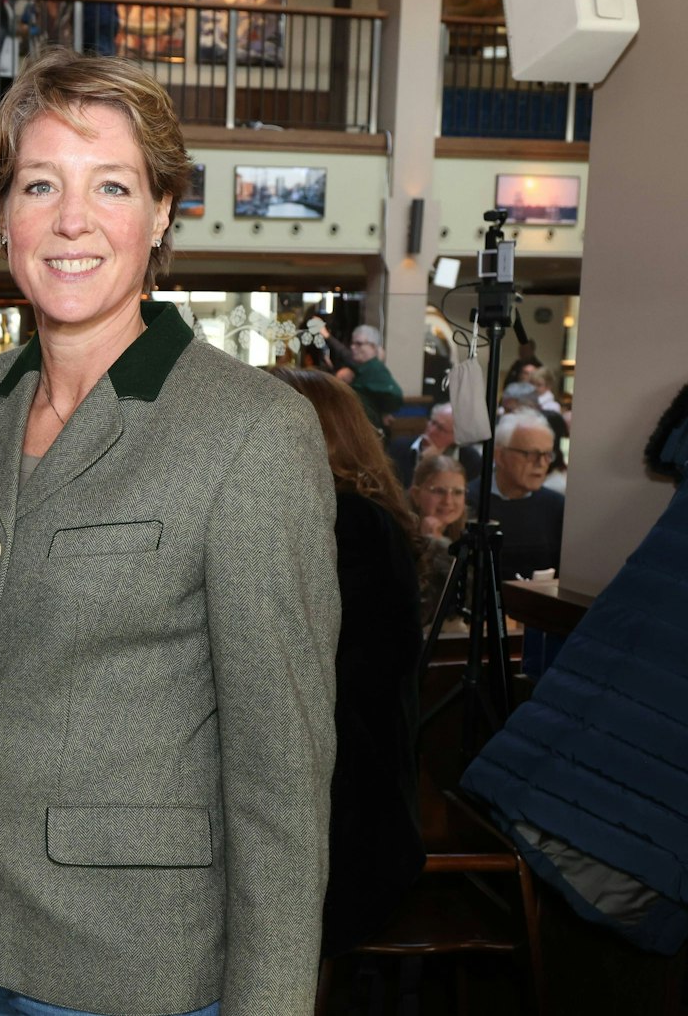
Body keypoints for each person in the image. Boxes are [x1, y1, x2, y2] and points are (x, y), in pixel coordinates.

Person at [0, 47, 341, 1015]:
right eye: (40, 184)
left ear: (161, 213)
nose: (71, 220)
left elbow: (281, 778)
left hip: (139, 967)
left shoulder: (250, 431)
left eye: (110, 185)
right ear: (3, 214)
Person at [272, 368, 427, 957]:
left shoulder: (348, 523)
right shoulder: (354, 515)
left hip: (347, 817)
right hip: (344, 800)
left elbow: (299, 670)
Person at [487, 410, 564, 579]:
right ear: (500, 456)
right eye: (531, 454)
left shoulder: (557, 506)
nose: (541, 463)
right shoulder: (471, 502)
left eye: (547, 455)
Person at [409, 453, 469, 623]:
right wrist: (431, 546)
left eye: (457, 492)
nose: (448, 501)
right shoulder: (400, 534)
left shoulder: (469, 536)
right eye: (439, 491)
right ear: (416, 494)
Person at [389, 401, 484, 487]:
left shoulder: (471, 460)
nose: (431, 430)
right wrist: (423, 466)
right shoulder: (398, 447)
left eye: (441, 429)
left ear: (456, 438)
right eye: (433, 422)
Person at [336, 323, 404, 432]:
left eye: (358, 344)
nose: (352, 347)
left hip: (369, 432)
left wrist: (385, 410)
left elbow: (396, 394)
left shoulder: (374, 368)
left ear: (372, 347)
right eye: (352, 343)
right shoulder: (362, 369)